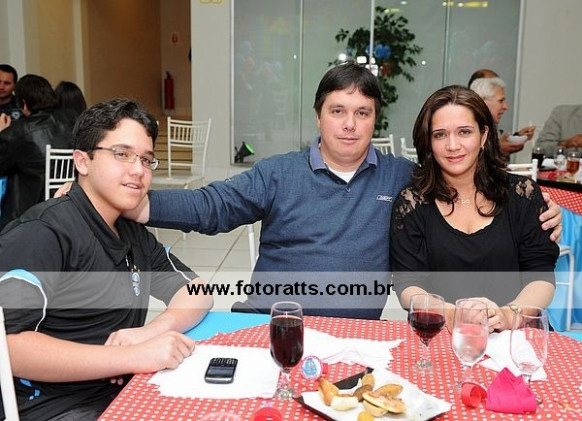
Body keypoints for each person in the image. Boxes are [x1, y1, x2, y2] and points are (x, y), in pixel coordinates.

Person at [119, 63, 562, 320]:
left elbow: (467, 185)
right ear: (318, 117)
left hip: (357, 339)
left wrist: (545, 210)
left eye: (362, 113)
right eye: (338, 111)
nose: (350, 124)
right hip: (270, 323)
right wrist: (134, 202)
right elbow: (210, 206)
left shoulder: (405, 179)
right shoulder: (278, 173)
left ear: (375, 120)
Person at [0, 98, 213, 420]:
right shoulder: (43, 232)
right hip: (54, 407)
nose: (138, 170)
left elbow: (198, 292)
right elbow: (9, 346)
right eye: (122, 154)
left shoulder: (131, 232)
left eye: (146, 159)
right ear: (82, 161)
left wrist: (150, 332)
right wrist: (132, 357)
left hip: (122, 391)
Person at [390, 85, 559, 332]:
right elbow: (408, 286)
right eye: (440, 135)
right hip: (442, 336)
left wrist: (506, 316)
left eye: (464, 132)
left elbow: (541, 277)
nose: (452, 145)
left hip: (518, 337)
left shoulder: (522, 194)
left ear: (483, 135)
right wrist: (452, 315)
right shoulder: (412, 203)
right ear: (428, 142)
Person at [0, 74, 78, 229]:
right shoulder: (72, 118)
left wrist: (2, 133)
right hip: (70, 200)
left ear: (24, 103)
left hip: (30, 209)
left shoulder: (19, 131)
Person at [470, 76, 535, 158]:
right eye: (501, 101)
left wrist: (518, 136)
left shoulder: (489, 125)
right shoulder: (470, 126)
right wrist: (499, 149)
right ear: (483, 101)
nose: (505, 106)